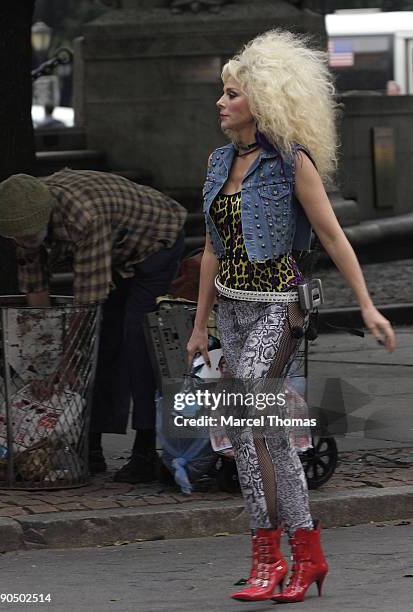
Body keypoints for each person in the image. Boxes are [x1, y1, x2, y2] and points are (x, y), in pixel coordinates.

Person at [186, 30, 396, 604]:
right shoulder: (217, 162)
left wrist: (369, 306)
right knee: (253, 434)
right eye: (224, 93)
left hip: (279, 308)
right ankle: (279, 556)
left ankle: (293, 553)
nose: (221, 103)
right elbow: (210, 249)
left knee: (260, 425)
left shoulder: (290, 163)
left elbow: (332, 236)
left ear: (263, 100)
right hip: (230, 311)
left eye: (232, 94)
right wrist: (200, 326)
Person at [0, 169, 187, 482]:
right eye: (17, 239)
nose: (24, 243)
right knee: (104, 345)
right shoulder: (23, 215)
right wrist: (44, 365)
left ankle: (144, 450)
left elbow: (87, 307)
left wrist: (66, 364)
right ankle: (91, 446)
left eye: (29, 237)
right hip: (115, 250)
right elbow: (37, 294)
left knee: (136, 340)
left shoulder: (84, 218)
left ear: (46, 216)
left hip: (154, 240)